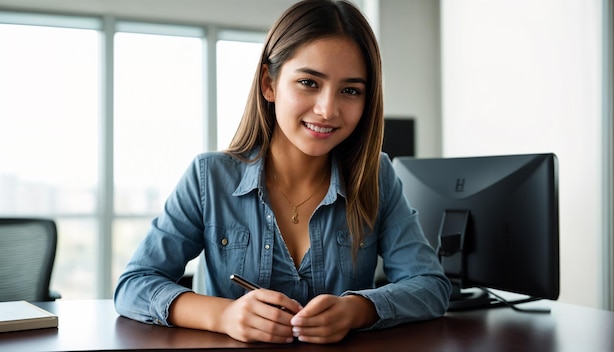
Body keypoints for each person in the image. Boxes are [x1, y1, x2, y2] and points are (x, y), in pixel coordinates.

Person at [114, 0, 451, 345]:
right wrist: (224, 315)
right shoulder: (209, 177)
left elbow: (431, 286)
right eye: (309, 82)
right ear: (269, 84)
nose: (327, 109)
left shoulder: (376, 175)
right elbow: (134, 285)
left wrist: (357, 309)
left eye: (350, 90)